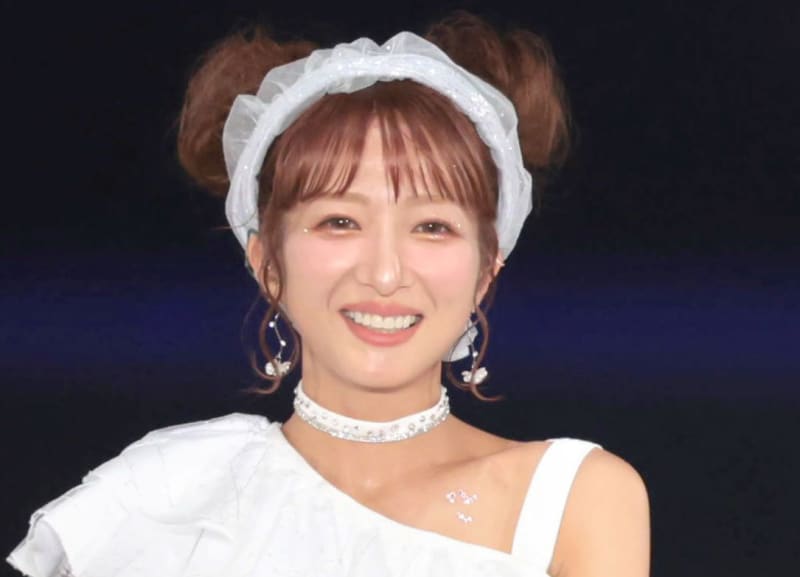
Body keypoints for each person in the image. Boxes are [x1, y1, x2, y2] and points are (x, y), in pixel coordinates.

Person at [8, 12, 650, 577]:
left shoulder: (570, 501)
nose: (385, 273)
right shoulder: (165, 497)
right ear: (267, 262)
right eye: (340, 221)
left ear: (488, 269)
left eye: (432, 227)